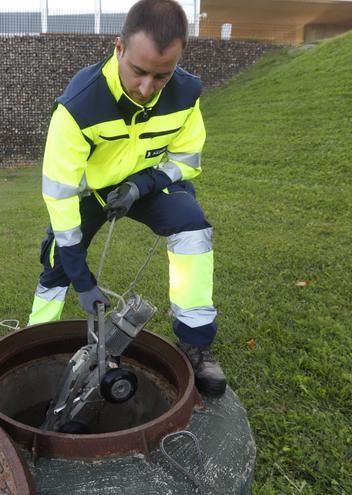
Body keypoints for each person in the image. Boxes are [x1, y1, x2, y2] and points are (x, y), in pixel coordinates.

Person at [26, 0, 225, 397]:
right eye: (138, 72)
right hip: (90, 192)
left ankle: (196, 344)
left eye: (161, 76)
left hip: (144, 185)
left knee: (193, 227)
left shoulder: (187, 94)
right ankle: (33, 343)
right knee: (57, 262)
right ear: (119, 48)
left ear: (179, 60)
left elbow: (186, 161)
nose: (147, 89)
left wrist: (142, 186)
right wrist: (83, 281)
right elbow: (60, 195)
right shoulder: (78, 105)